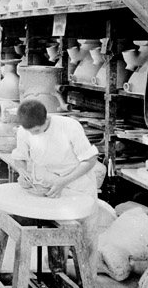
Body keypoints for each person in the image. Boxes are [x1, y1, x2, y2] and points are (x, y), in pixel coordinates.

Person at [9, 98, 102, 274]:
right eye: (31, 132)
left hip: (77, 183)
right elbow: (19, 157)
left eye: (37, 130)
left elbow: (90, 160)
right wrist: (23, 171)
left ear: (47, 119)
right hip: (50, 185)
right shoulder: (24, 131)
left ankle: (87, 284)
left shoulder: (69, 126)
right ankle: (57, 277)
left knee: (86, 238)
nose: (34, 134)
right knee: (59, 234)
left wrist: (63, 181)